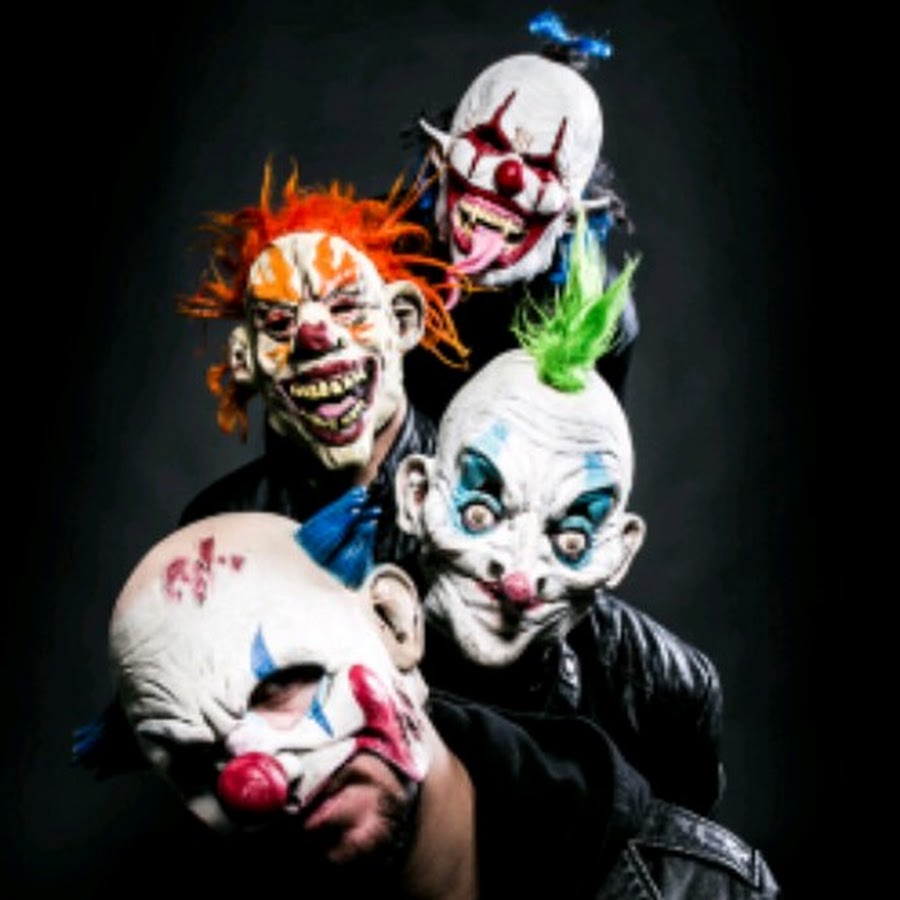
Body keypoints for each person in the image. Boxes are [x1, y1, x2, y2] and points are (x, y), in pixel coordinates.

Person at [81, 509, 779, 898]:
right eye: (199, 764)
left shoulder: (699, 891)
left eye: (282, 685)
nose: (256, 781)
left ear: (394, 623)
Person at [394, 213, 724, 815]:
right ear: (417, 494)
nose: (520, 579)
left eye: (571, 539)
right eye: (480, 512)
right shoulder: (330, 634)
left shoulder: (669, 693)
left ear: (621, 549)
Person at [176, 161, 467, 566]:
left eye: (346, 307)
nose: (315, 336)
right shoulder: (215, 533)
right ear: (245, 359)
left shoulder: (485, 503)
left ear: (402, 321)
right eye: (278, 323)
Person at [402, 9, 640, 423]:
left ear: (571, 217)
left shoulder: (599, 314)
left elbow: (595, 448)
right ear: (441, 154)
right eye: (490, 142)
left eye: (543, 168)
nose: (509, 175)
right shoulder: (362, 256)